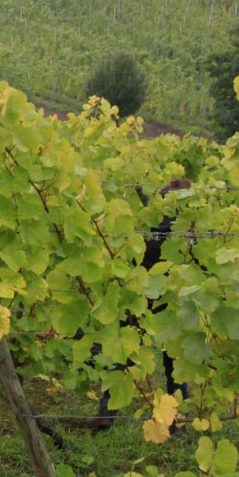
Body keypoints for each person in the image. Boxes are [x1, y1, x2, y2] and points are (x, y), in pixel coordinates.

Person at [89, 177, 192, 431]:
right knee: (175, 362)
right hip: (174, 301)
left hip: (142, 298)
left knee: (125, 354)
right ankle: (177, 420)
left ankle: (107, 412)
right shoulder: (191, 232)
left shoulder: (149, 226)